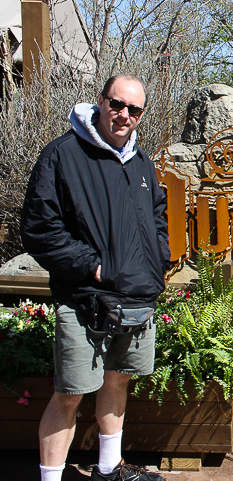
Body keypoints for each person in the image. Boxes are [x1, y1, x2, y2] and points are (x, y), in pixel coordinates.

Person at [21, 75, 170, 481]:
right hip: (84, 296)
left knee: (118, 381)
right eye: (117, 104)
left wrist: (157, 263)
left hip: (136, 295)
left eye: (134, 110)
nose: (124, 115)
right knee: (69, 394)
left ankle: (109, 468)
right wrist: (94, 266)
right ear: (101, 101)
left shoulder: (141, 163)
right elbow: (40, 228)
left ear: (141, 115)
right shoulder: (63, 155)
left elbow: (157, 218)